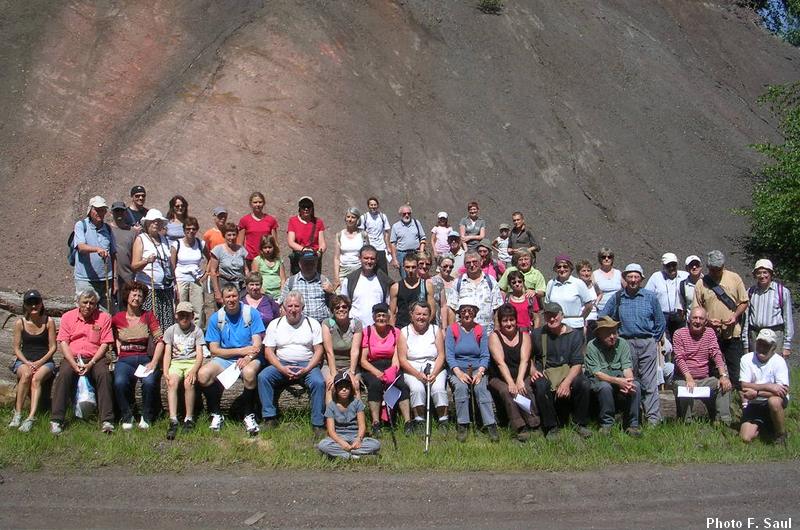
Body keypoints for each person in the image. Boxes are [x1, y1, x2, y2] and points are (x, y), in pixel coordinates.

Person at [599, 263, 666, 425]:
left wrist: (653, 339)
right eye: (630, 276)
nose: (633, 280)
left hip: (647, 341)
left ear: (641, 279)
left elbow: (660, 322)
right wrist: (613, 333)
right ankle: (632, 418)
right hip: (625, 343)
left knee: (650, 382)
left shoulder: (650, 297)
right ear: (625, 279)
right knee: (630, 381)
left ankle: (653, 419)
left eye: (636, 277)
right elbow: (603, 316)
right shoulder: (618, 297)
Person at [199, 283, 266, 435]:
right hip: (226, 358)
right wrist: (240, 350)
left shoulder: (251, 313)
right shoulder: (217, 318)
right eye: (228, 297)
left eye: (234, 296)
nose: (231, 300)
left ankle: (249, 414)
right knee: (203, 375)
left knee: (249, 373)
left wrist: (247, 357)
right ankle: (216, 413)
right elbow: (214, 349)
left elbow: (256, 344)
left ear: (239, 297)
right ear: (222, 299)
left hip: (250, 357)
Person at [258, 291, 326, 437]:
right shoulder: (275, 324)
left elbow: (319, 350)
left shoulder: (312, 323)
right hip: (282, 363)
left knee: (319, 382)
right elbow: (268, 352)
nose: (293, 309)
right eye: (290, 306)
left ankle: (318, 424)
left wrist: (307, 368)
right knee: (263, 377)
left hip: (307, 364)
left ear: (302, 307)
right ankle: (270, 418)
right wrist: (281, 368)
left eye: (296, 306)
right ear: (283, 307)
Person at [50, 288, 115, 434]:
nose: (88, 306)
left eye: (92, 303)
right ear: (78, 302)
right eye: (85, 302)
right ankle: (56, 419)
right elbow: (63, 342)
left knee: (104, 375)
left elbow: (105, 343)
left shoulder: (104, 318)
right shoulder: (68, 317)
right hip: (73, 357)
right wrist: (74, 364)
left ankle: (107, 420)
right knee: (63, 375)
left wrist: (91, 363)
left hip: (95, 358)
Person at [531, 302, 593, 439]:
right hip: (546, 371)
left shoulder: (575, 335)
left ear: (562, 316)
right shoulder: (537, 334)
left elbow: (577, 363)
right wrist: (532, 371)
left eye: (555, 316)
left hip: (569, 371)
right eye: (548, 316)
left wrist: (566, 382)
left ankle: (580, 423)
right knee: (541, 385)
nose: (552, 319)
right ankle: (551, 427)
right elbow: (528, 357)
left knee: (583, 383)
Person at [691, 250, 749, 390]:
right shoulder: (701, 284)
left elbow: (744, 301)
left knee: (735, 370)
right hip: (710, 334)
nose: (716, 271)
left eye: (719, 269)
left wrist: (735, 316)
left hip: (732, 332)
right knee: (712, 370)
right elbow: (696, 308)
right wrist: (708, 321)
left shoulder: (734, 278)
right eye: (713, 269)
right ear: (708, 268)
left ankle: (738, 400)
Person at [111, 280, 164, 430]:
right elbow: (112, 337)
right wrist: (118, 349)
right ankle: (127, 416)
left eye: (140, 296)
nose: (137, 298)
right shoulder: (117, 318)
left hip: (144, 357)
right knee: (119, 382)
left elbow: (160, 340)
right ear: (127, 296)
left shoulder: (148, 316)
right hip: (125, 359)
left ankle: (146, 417)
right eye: (134, 294)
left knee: (149, 382)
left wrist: (154, 362)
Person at [446, 298, 499, 442]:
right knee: (461, 388)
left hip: (477, 368)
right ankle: (463, 424)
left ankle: (490, 424)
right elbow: (450, 356)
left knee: (481, 388)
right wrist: (459, 373)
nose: (467, 314)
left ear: (475, 313)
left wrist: (481, 373)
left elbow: (485, 355)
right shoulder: (452, 330)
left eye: (470, 311)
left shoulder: (480, 330)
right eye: (463, 311)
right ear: (459, 314)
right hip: (458, 369)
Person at [583, 316, 642, 437]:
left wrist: (628, 382)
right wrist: (617, 381)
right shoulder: (592, 346)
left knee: (636, 385)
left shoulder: (622, 344)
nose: (612, 336)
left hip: (619, 377)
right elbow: (597, 373)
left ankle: (633, 425)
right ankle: (607, 425)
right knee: (605, 387)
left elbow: (627, 367)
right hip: (600, 380)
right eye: (608, 333)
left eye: (614, 333)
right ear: (599, 334)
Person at [672, 308, 732, 424]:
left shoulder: (709, 333)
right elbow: (679, 358)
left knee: (724, 384)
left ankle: (724, 421)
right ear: (689, 319)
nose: (697, 321)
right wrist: (688, 378)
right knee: (685, 388)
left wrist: (723, 375)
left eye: (701, 318)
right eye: (695, 318)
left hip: (704, 379)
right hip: (684, 378)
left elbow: (716, 354)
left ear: (706, 321)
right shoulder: (679, 334)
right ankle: (687, 422)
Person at [488, 304, 539, 442]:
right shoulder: (494, 337)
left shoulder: (524, 335)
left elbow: (524, 360)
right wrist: (511, 382)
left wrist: (519, 380)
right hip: (499, 377)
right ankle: (520, 426)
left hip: (521, 372)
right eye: (505, 320)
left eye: (511, 320)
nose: (509, 323)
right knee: (507, 391)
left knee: (525, 388)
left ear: (516, 320)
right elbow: (500, 363)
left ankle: (534, 422)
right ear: (500, 322)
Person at [360, 303, 412, 435]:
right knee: (375, 385)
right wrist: (377, 372)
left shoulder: (395, 332)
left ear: (388, 317)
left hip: (390, 365)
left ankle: (407, 422)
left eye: (384, 315)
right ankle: (376, 423)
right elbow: (363, 360)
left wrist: (393, 371)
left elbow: (397, 355)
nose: (381, 318)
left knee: (401, 385)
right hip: (372, 366)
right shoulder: (367, 332)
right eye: (378, 316)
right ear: (373, 317)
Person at [8, 290, 56, 432]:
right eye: (30, 303)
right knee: (26, 375)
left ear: (41, 304)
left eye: (36, 303)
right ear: (25, 305)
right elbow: (16, 348)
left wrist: (40, 362)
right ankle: (17, 414)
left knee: (36, 379)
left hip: (45, 361)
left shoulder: (49, 322)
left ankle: (31, 417)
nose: (33, 306)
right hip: (24, 360)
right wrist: (27, 362)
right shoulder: (20, 323)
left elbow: (53, 347)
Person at [398, 302, 449, 430]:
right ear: (412, 315)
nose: (421, 317)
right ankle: (419, 420)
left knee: (438, 389)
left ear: (429, 316)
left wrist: (434, 373)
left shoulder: (435, 330)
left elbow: (441, 355)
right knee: (417, 389)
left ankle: (443, 420)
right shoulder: (404, 332)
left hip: (434, 366)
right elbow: (402, 359)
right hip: (412, 368)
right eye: (418, 314)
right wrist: (418, 374)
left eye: (425, 314)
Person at [162, 302, 206, 440]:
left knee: (189, 383)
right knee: (172, 383)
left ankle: (189, 418)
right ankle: (173, 418)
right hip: (176, 362)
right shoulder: (171, 330)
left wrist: (194, 370)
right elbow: (167, 353)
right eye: (181, 315)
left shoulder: (197, 331)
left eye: (187, 315)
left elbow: (200, 354)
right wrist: (165, 371)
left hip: (191, 362)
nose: (184, 318)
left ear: (192, 316)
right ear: (176, 315)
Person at [739, 329, 790, 445]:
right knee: (745, 438)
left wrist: (757, 393)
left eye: (766, 344)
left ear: (773, 347)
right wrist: (770, 386)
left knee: (774, 402)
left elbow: (783, 391)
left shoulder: (779, 361)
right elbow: (744, 385)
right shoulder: (746, 359)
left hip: (769, 400)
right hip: (754, 403)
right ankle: (766, 424)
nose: (762, 347)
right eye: (760, 343)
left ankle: (781, 435)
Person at [317, 370, 381, 459]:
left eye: (347, 387)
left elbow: (362, 426)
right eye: (340, 387)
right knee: (323, 445)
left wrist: (358, 440)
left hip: (355, 436)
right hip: (339, 437)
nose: (344, 389)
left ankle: (342, 454)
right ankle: (354, 456)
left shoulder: (357, 403)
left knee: (376, 444)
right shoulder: (331, 406)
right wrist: (341, 442)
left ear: (351, 389)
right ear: (336, 389)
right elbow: (331, 431)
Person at [131, 209, 176, 329]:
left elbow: (169, 264)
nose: (156, 223)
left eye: (158, 221)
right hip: (149, 289)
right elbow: (134, 266)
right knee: (151, 324)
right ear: (146, 223)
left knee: (166, 324)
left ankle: (165, 347)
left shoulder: (164, 240)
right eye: (153, 221)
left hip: (165, 289)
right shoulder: (141, 239)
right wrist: (146, 261)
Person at [73, 195, 116, 311]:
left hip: (105, 279)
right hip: (86, 279)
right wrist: (97, 249)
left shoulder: (108, 228)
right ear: (90, 210)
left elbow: (113, 254)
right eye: (97, 210)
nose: (100, 213)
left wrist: (114, 278)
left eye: (103, 210)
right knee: (86, 310)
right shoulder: (81, 225)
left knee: (105, 313)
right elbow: (81, 247)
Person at [743, 259, 793, 358]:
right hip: (755, 335)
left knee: (774, 368)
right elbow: (746, 320)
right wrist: (745, 342)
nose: (762, 276)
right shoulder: (750, 292)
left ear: (770, 274)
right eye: (759, 273)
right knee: (756, 368)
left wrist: (787, 345)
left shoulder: (782, 291)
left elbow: (788, 319)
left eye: (765, 272)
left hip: (775, 335)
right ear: (755, 275)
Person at [448, 250, 503, 332]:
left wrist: (497, 331)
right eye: (468, 263)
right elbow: (452, 309)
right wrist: (452, 332)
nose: (472, 265)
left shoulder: (491, 281)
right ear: (465, 265)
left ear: (481, 262)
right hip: (464, 334)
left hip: (487, 333)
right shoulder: (458, 283)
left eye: (475, 262)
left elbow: (497, 308)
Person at [340, 246, 393, 327]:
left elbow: (388, 304)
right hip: (356, 329)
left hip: (377, 328)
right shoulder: (350, 280)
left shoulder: (384, 280)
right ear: (359, 258)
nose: (369, 261)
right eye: (366, 258)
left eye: (372, 259)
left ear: (376, 260)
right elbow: (343, 304)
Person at [321, 295, 363, 396]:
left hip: (349, 365)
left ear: (348, 308)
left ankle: (357, 411)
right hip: (331, 364)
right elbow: (329, 352)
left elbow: (355, 351)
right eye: (337, 307)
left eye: (344, 307)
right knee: (331, 385)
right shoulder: (327, 324)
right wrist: (334, 373)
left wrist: (351, 372)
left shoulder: (356, 324)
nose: (341, 309)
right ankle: (330, 412)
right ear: (332, 310)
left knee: (355, 385)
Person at [170, 216, 206, 327]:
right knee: (181, 308)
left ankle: (197, 335)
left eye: (193, 229)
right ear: (184, 230)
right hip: (181, 279)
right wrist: (174, 282)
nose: (191, 231)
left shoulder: (201, 244)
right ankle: (180, 334)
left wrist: (205, 274)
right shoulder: (177, 244)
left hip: (196, 280)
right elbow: (172, 265)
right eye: (188, 228)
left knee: (198, 309)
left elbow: (211, 259)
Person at [645, 252, 689, 341]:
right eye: (668, 265)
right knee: (665, 342)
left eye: (674, 265)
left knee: (681, 341)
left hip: (680, 315)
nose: (672, 268)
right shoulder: (656, 277)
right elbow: (647, 296)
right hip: (662, 315)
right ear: (663, 266)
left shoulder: (685, 276)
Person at [280, 250, 334, 322]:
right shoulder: (291, 282)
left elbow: (335, 304)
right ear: (300, 264)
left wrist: (332, 292)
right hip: (299, 325)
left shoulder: (323, 280)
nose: (309, 266)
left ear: (316, 264)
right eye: (306, 263)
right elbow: (282, 304)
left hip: (321, 324)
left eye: (312, 263)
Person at [544, 255, 593, 334]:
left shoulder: (578, 283)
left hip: (574, 326)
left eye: (565, 266)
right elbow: (547, 304)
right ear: (555, 269)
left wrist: (580, 318)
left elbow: (589, 305)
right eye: (559, 267)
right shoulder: (551, 283)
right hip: (556, 326)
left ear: (570, 268)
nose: (562, 269)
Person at [389, 253, 434, 329]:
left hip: (421, 328)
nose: (410, 270)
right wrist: (393, 332)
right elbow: (392, 313)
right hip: (401, 328)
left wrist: (423, 326)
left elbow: (432, 311)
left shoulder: (427, 285)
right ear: (403, 267)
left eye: (413, 267)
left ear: (417, 267)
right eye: (407, 267)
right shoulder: (395, 287)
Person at [209, 222, 248, 305]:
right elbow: (213, 272)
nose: (232, 237)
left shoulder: (241, 250)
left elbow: (245, 269)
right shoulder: (218, 250)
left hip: (240, 286)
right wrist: (217, 292)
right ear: (224, 235)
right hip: (224, 285)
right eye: (229, 235)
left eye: (234, 235)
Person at [237, 192, 278, 267]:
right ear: (251, 204)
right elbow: (240, 244)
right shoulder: (244, 220)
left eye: (260, 202)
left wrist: (276, 258)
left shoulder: (271, 220)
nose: (258, 205)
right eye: (255, 202)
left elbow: (274, 242)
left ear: (264, 203)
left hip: (267, 258)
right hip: (250, 259)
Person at [287, 196, 326, 274]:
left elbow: (322, 243)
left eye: (308, 206)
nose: (306, 209)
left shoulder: (318, 222)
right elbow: (291, 242)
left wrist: (319, 253)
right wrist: (304, 250)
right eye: (303, 207)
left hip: (314, 258)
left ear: (312, 208)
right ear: (299, 208)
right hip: (299, 257)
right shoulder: (293, 221)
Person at [202, 206, 229, 321]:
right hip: (214, 273)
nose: (222, 219)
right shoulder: (208, 234)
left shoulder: (230, 233)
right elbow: (207, 251)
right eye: (219, 216)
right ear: (214, 217)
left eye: (224, 216)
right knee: (213, 302)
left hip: (227, 272)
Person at [332, 207, 368, 289]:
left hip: (359, 269)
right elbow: (336, 258)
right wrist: (336, 277)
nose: (350, 219)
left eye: (353, 217)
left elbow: (367, 255)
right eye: (348, 217)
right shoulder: (339, 235)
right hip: (343, 270)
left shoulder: (363, 235)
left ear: (357, 219)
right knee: (341, 297)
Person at [110, 201, 136, 310]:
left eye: (121, 211)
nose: (119, 214)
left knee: (127, 309)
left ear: (126, 213)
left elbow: (135, 255)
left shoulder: (132, 232)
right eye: (116, 211)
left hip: (128, 276)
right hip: (110, 276)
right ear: (111, 213)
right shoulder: (107, 229)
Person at [389, 205, 426, 278]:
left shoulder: (416, 223)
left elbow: (423, 238)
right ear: (400, 214)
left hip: (416, 253)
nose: (407, 215)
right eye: (404, 213)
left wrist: (421, 252)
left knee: (418, 275)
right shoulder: (395, 226)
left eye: (409, 213)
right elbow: (393, 243)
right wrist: (394, 259)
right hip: (402, 255)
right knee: (405, 276)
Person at [358, 197, 391, 274]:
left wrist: (388, 246)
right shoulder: (364, 217)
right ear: (368, 206)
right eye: (371, 205)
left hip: (381, 247)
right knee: (370, 270)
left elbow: (386, 232)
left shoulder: (383, 217)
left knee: (383, 271)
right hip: (370, 247)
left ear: (378, 205)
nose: (373, 206)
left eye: (375, 205)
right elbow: (361, 233)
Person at [250, 235, 285, 299]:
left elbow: (283, 279)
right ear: (261, 248)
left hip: (278, 293)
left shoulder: (278, 260)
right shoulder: (257, 260)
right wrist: (261, 291)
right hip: (263, 293)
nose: (267, 250)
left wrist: (282, 292)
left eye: (270, 247)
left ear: (274, 247)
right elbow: (254, 279)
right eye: (265, 247)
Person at [592, 247, 623, 316]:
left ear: (612, 259)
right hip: (601, 310)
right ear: (600, 259)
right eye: (603, 257)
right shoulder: (594, 274)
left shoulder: (618, 273)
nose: (606, 259)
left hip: (617, 309)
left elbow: (625, 289)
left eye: (609, 257)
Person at [430, 254, 456, 327]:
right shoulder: (432, 282)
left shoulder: (456, 282)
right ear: (439, 266)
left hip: (453, 321)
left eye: (451, 267)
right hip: (438, 321)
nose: (448, 269)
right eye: (445, 266)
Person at [577, 259, 599, 341]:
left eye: (588, 271)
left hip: (594, 318)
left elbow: (600, 294)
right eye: (583, 271)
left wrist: (596, 303)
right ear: (578, 273)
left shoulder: (594, 284)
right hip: (582, 318)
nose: (586, 273)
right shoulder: (576, 285)